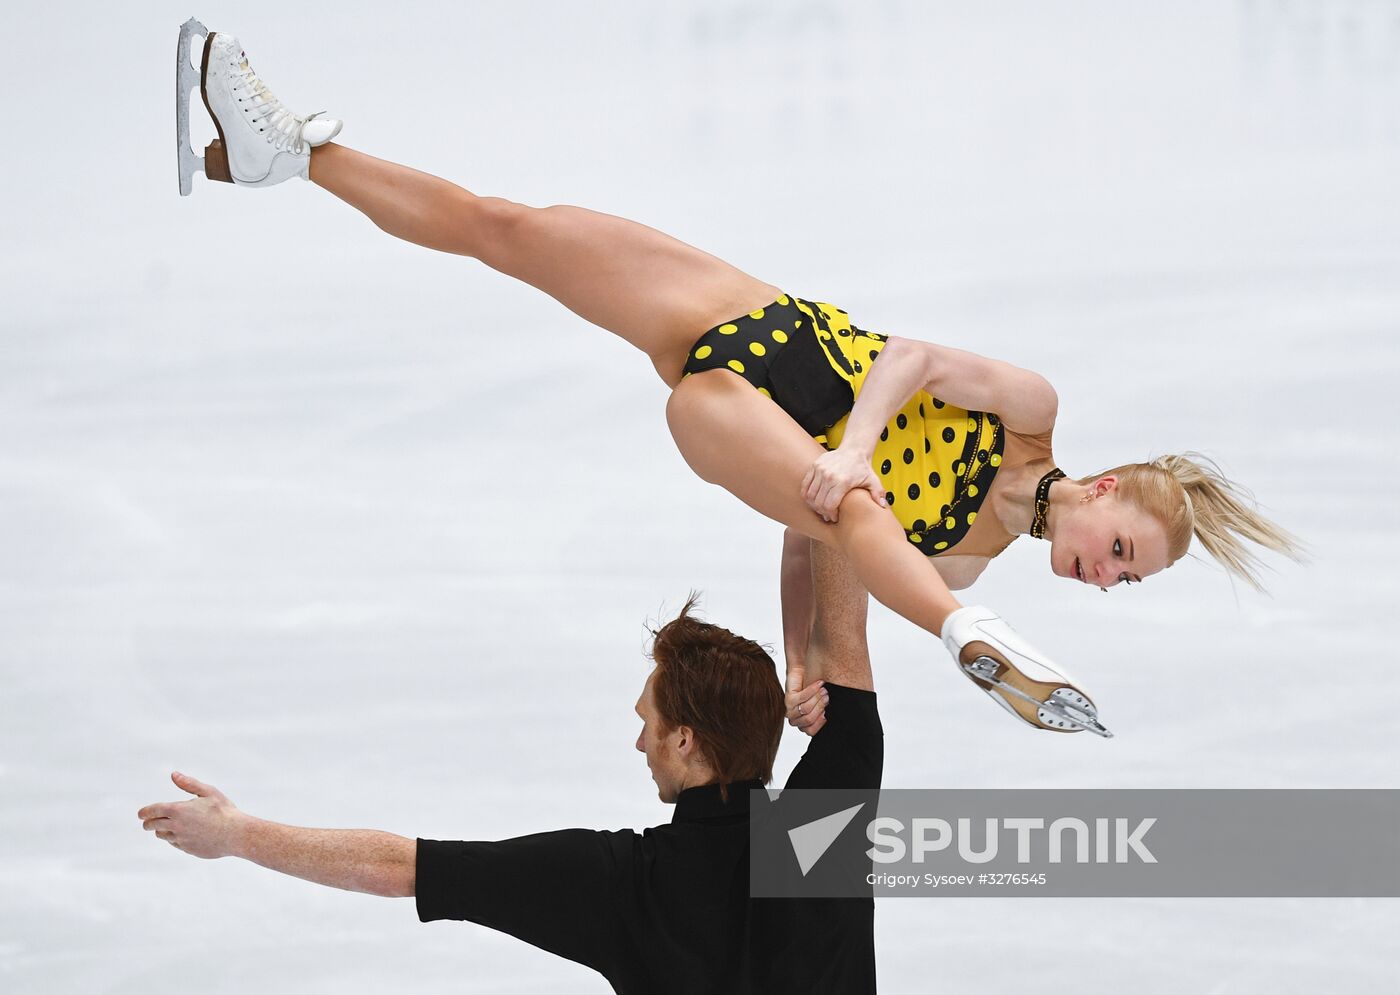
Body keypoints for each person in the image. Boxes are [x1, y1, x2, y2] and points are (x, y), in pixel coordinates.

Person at [173, 25, 1305, 732]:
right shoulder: (1028, 415)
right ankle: (289, 152)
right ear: (1102, 489)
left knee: (855, 518)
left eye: (1124, 582)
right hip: (757, 325)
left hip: (732, 412)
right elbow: (906, 358)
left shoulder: (964, 544)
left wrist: (809, 659)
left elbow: (808, 531)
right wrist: (854, 447)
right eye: (1119, 554)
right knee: (511, 225)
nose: (1104, 577)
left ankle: (963, 634)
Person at [137, 548, 881, 994]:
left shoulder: (624, 882)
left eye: (648, 724)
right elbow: (842, 614)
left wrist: (237, 833)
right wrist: (831, 456)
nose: (639, 742)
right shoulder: (822, 828)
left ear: (686, 740)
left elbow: (402, 868)